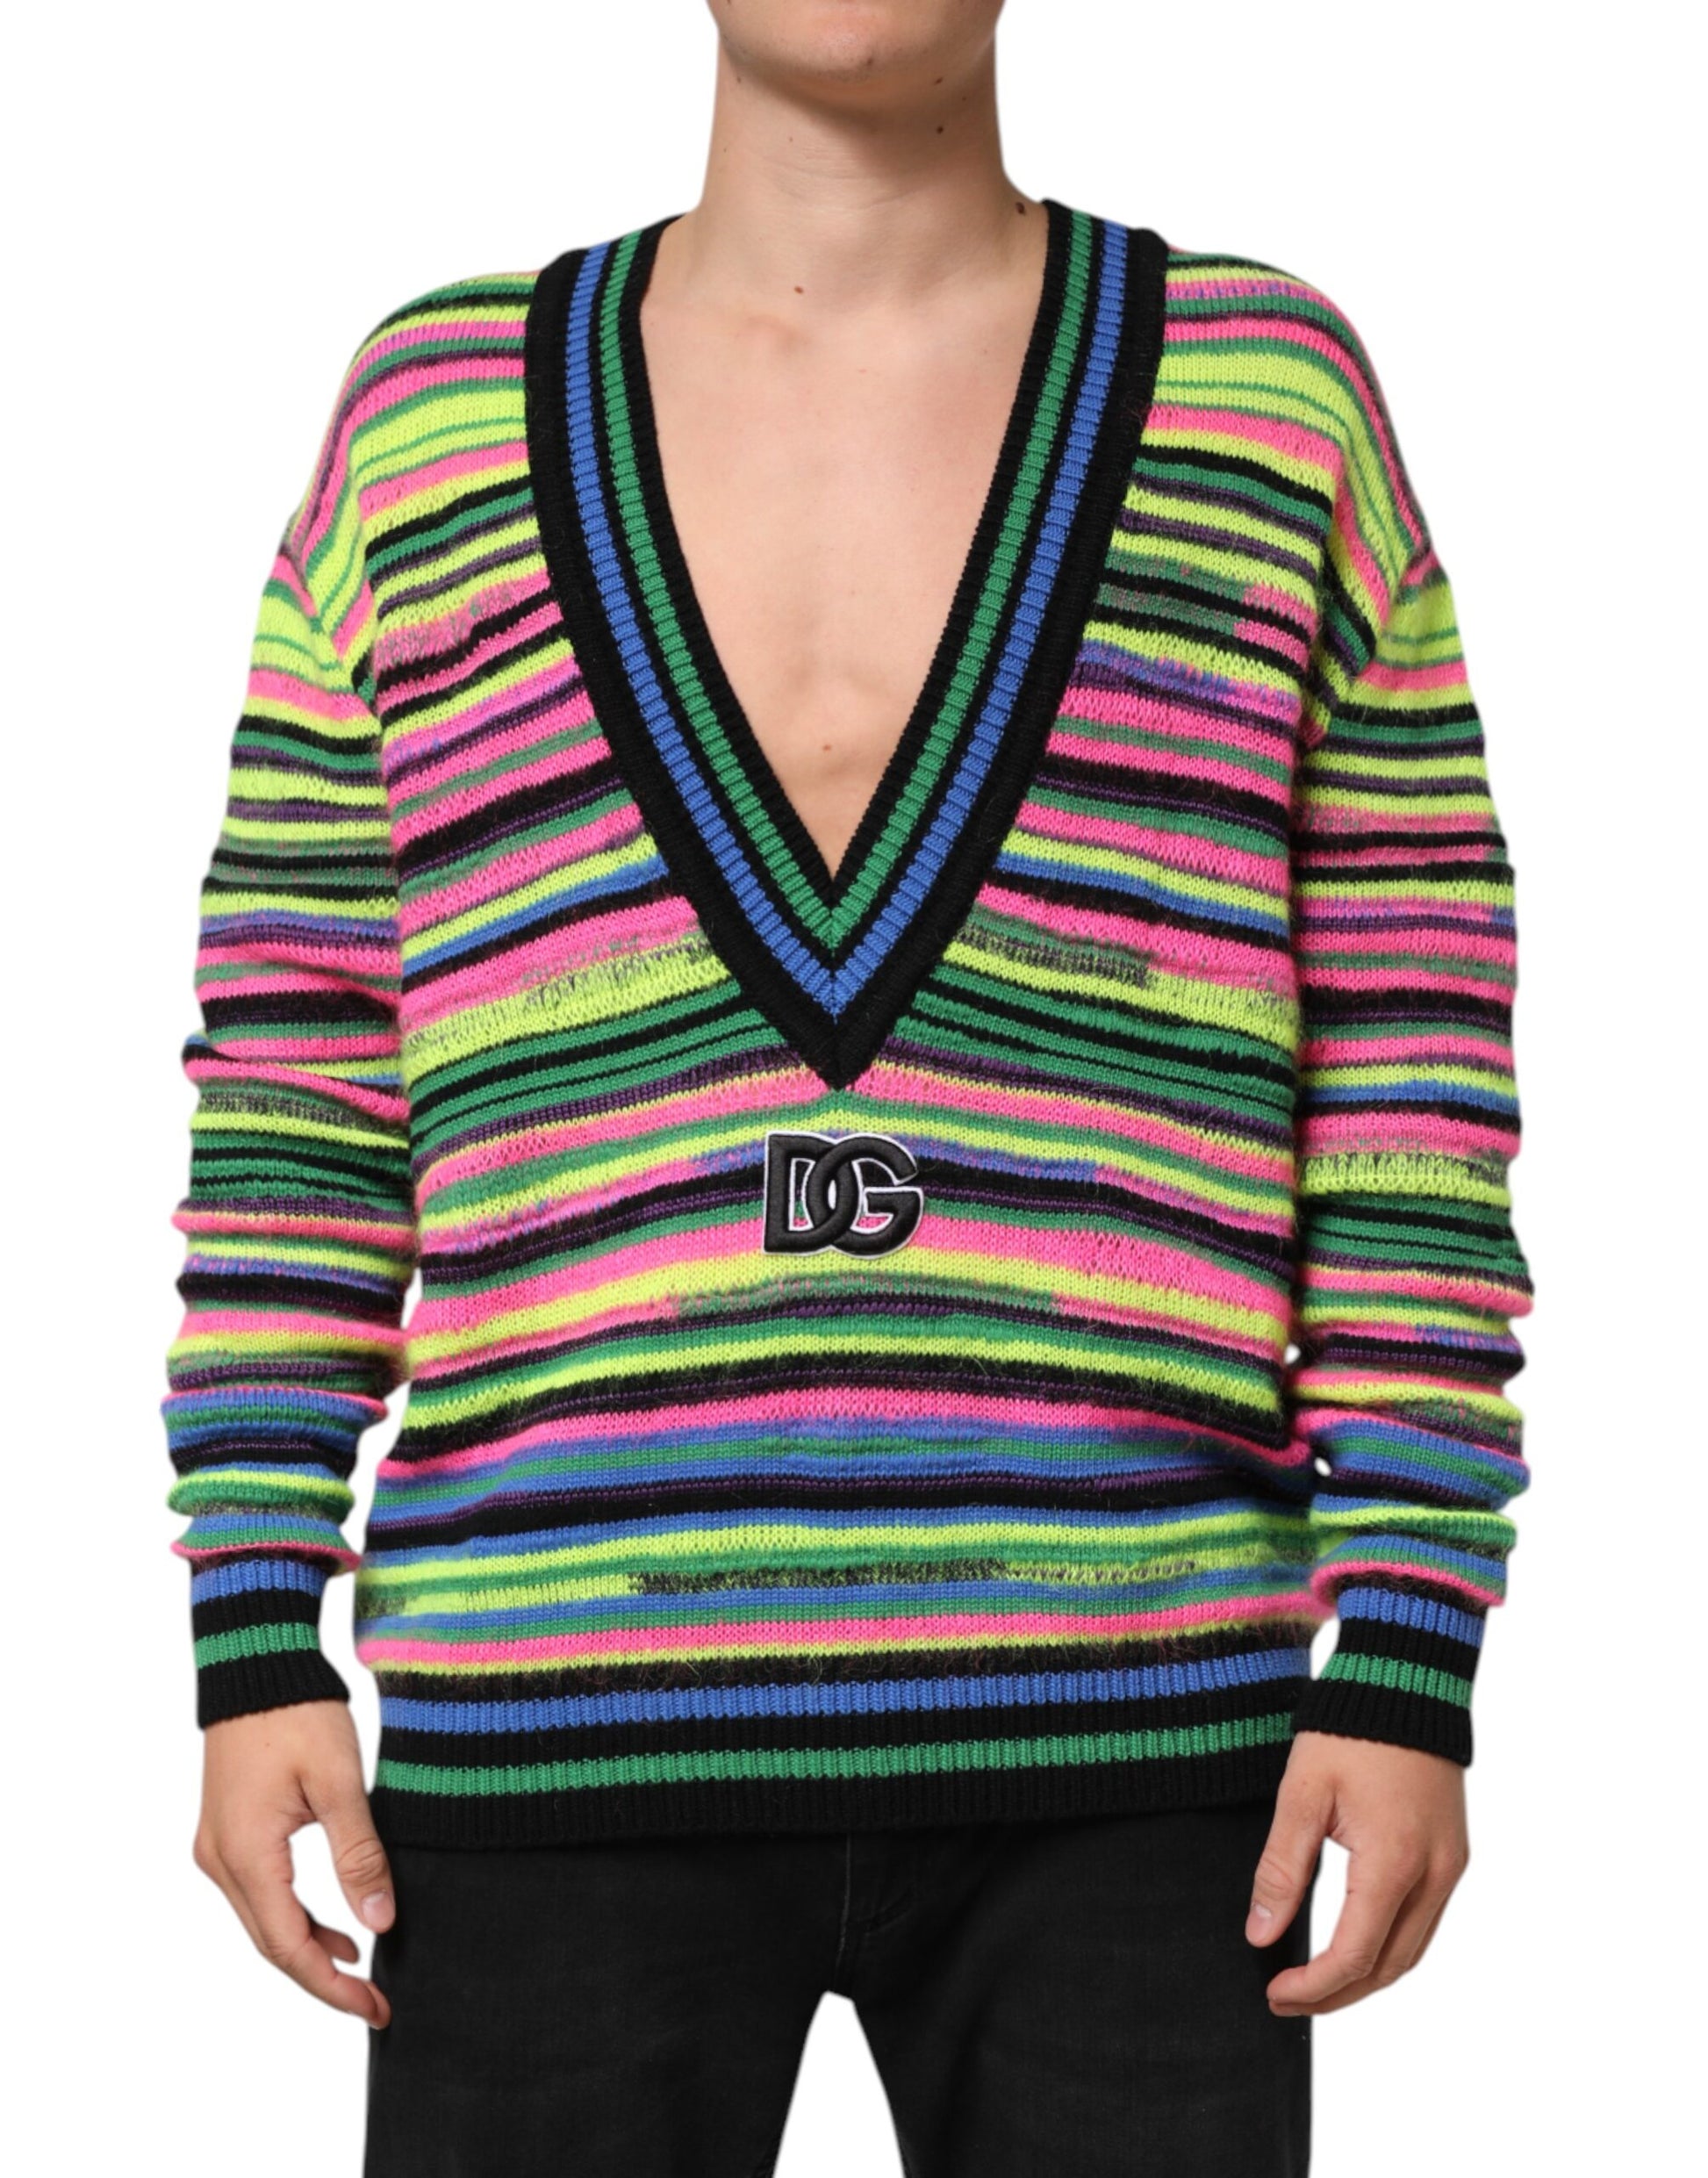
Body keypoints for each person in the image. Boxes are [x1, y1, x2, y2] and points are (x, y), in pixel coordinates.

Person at [162, 4, 1533, 2173]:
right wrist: (253, 1621)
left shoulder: (1266, 402)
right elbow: (302, 1074)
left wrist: (1411, 1635)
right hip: (550, 1721)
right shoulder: (429, 422)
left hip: (1144, 1729)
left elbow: (1411, 1045)